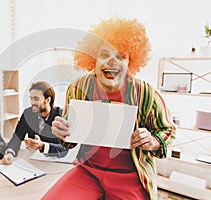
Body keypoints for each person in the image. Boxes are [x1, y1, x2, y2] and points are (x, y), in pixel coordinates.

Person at [43, 18, 176, 200]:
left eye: (121, 56)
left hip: (130, 176)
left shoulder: (146, 93)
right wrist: (62, 131)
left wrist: (153, 141)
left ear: (130, 62)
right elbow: (69, 140)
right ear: (93, 59)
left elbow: (168, 129)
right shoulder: (78, 88)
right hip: (88, 170)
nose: (112, 62)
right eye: (104, 54)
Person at [2, 81, 68, 164]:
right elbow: (17, 138)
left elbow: (65, 148)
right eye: (31, 98)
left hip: (54, 162)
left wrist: (43, 146)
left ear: (47, 100)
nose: (32, 102)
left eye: (36, 99)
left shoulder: (60, 116)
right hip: (33, 160)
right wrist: (10, 153)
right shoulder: (28, 113)